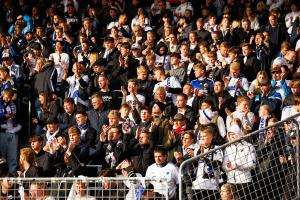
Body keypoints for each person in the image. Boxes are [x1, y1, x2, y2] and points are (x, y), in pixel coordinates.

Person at [223, 124, 256, 200]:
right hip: (230, 181)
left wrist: (238, 166)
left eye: (233, 134)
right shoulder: (228, 148)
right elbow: (223, 167)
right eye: (230, 134)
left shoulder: (248, 146)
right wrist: (228, 167)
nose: (231, 136)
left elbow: (253, 164)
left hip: (244, 181)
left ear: (238, 133)